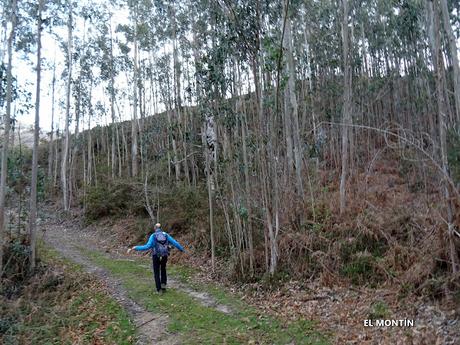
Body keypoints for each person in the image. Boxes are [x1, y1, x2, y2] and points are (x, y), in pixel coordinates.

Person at [127, 223, 184, 293]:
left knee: (156, 272)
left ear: (155, 228)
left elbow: (147, 246)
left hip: (156, 255)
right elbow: (175, 243)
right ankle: (163, 286)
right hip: (164, 255)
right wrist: (181, 249)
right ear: (161, 228)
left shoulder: (153, 236)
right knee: (163, 269)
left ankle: (159, 289)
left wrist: (136, 247)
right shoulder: (166, 235)